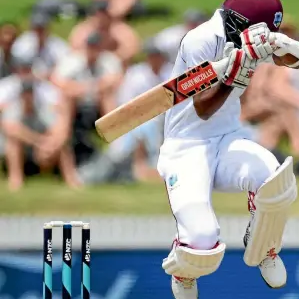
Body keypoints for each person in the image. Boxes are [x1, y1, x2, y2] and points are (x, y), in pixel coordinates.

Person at [157, 0, 299, 299]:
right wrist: (237, 75)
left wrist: (284, 46)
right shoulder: (200, 41)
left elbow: (297, 61)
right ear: (239, 23)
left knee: (275, 179)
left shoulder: (246, 35)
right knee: (202, 240)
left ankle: (265, 247)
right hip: (187, 148)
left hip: (228, 139)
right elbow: (202, 107)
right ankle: (183, 271)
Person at [78, 39, 172, 185]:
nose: (154, 59)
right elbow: (126, 103)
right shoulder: (136, 74)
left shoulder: (171, 72)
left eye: (157, 55)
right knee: (120, 149)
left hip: (166, 121)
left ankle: (151, 167)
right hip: (136, 120)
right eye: (151, 55)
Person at [0, 53, 78, 191]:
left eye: (30, 93)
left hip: (42, 148)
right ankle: (16, 179)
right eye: (26, 93)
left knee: (63, 144)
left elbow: (57, 127)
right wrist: (39, 142)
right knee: (13, 143)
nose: (28, 97)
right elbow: (11, 129)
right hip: (23, 146)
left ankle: (71, 178)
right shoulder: (14, 106)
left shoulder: (42, 105)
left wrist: (50, 144)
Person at [52, 32, 122, 165]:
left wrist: (89, 88)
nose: (92, 51)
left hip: (98, 106)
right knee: (68, 98)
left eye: (96, 47)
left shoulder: (109, 61)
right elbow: (58, 81)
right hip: (77, 105)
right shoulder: (72, 60)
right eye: (90, 47)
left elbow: (115, 80)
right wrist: (89, 88)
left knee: (107, 96)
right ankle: (62, 136)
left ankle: (115, 140)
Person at [69, 0, 140, 66]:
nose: (101, 18)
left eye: (105, 15)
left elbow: (129, 52)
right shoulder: (82, 31)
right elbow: (75, 52)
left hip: (115, 67)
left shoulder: (121, 30)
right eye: (98, 15)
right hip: (87, 68)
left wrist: (107, 60)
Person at [11, 13, 69, 80]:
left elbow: (65, 65)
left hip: (51, 80)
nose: (39, 32)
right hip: (25, 80)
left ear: (48, 28)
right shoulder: (21, 43)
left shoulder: (58, 45)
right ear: (31, 28)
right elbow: (18, 67)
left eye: (42, 28)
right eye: (37, 29)